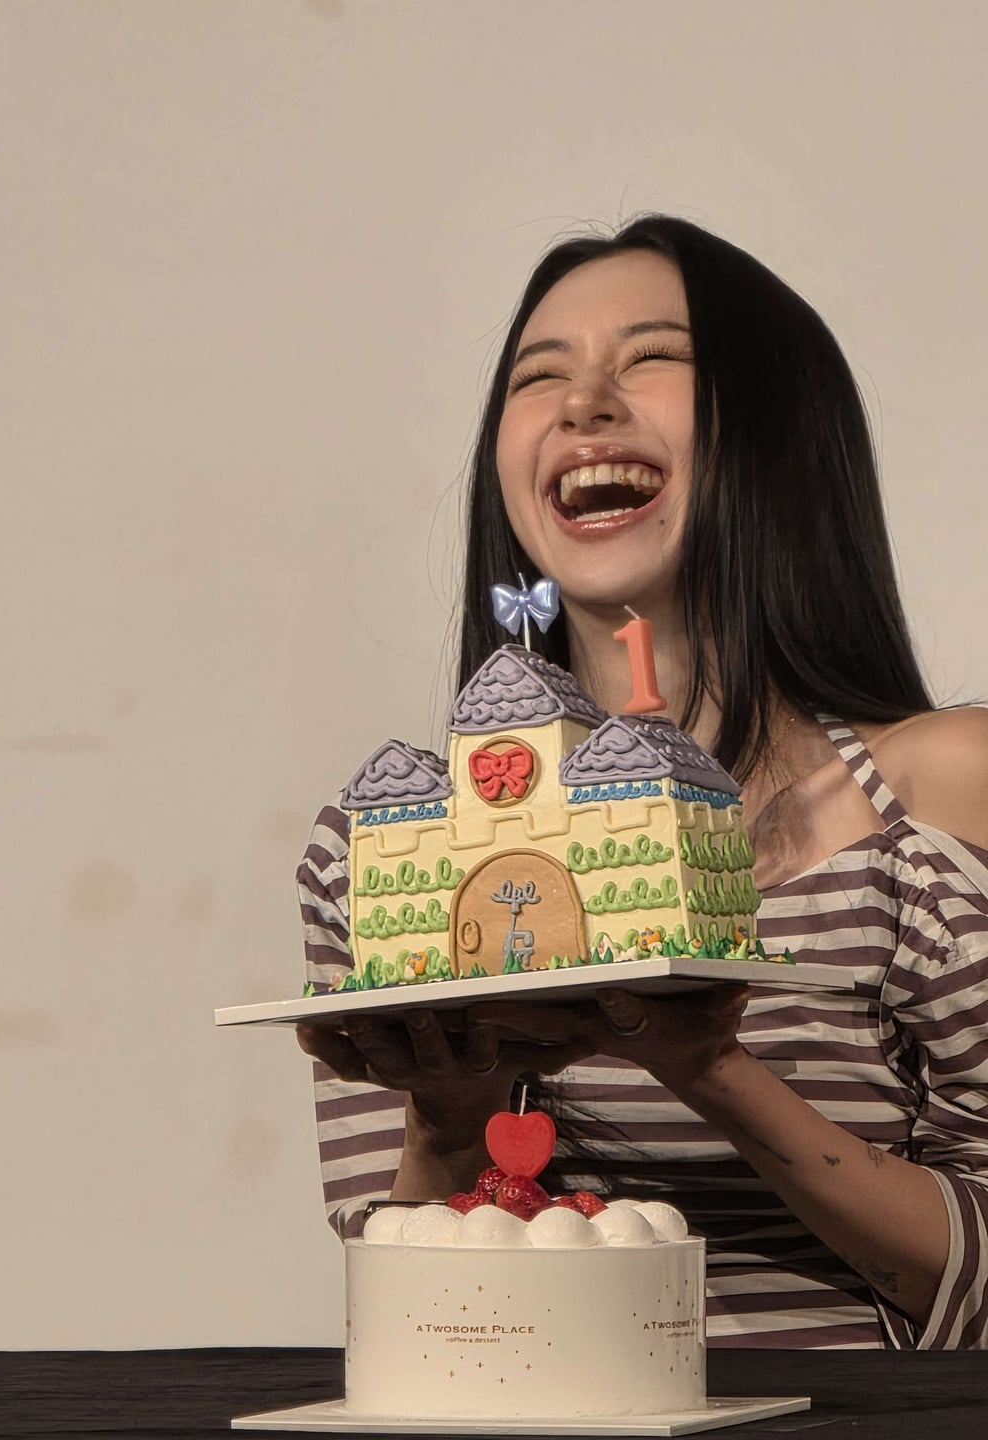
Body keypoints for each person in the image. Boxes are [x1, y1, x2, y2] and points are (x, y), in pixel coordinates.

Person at [295, 215, 988, 1350]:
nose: (584, 402)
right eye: (539, 375)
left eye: (653, 356)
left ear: (774, 430)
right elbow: (412, 1327)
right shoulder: (383, 852)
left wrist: (708, 1064)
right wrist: (450, 1118)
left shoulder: (939, 796)